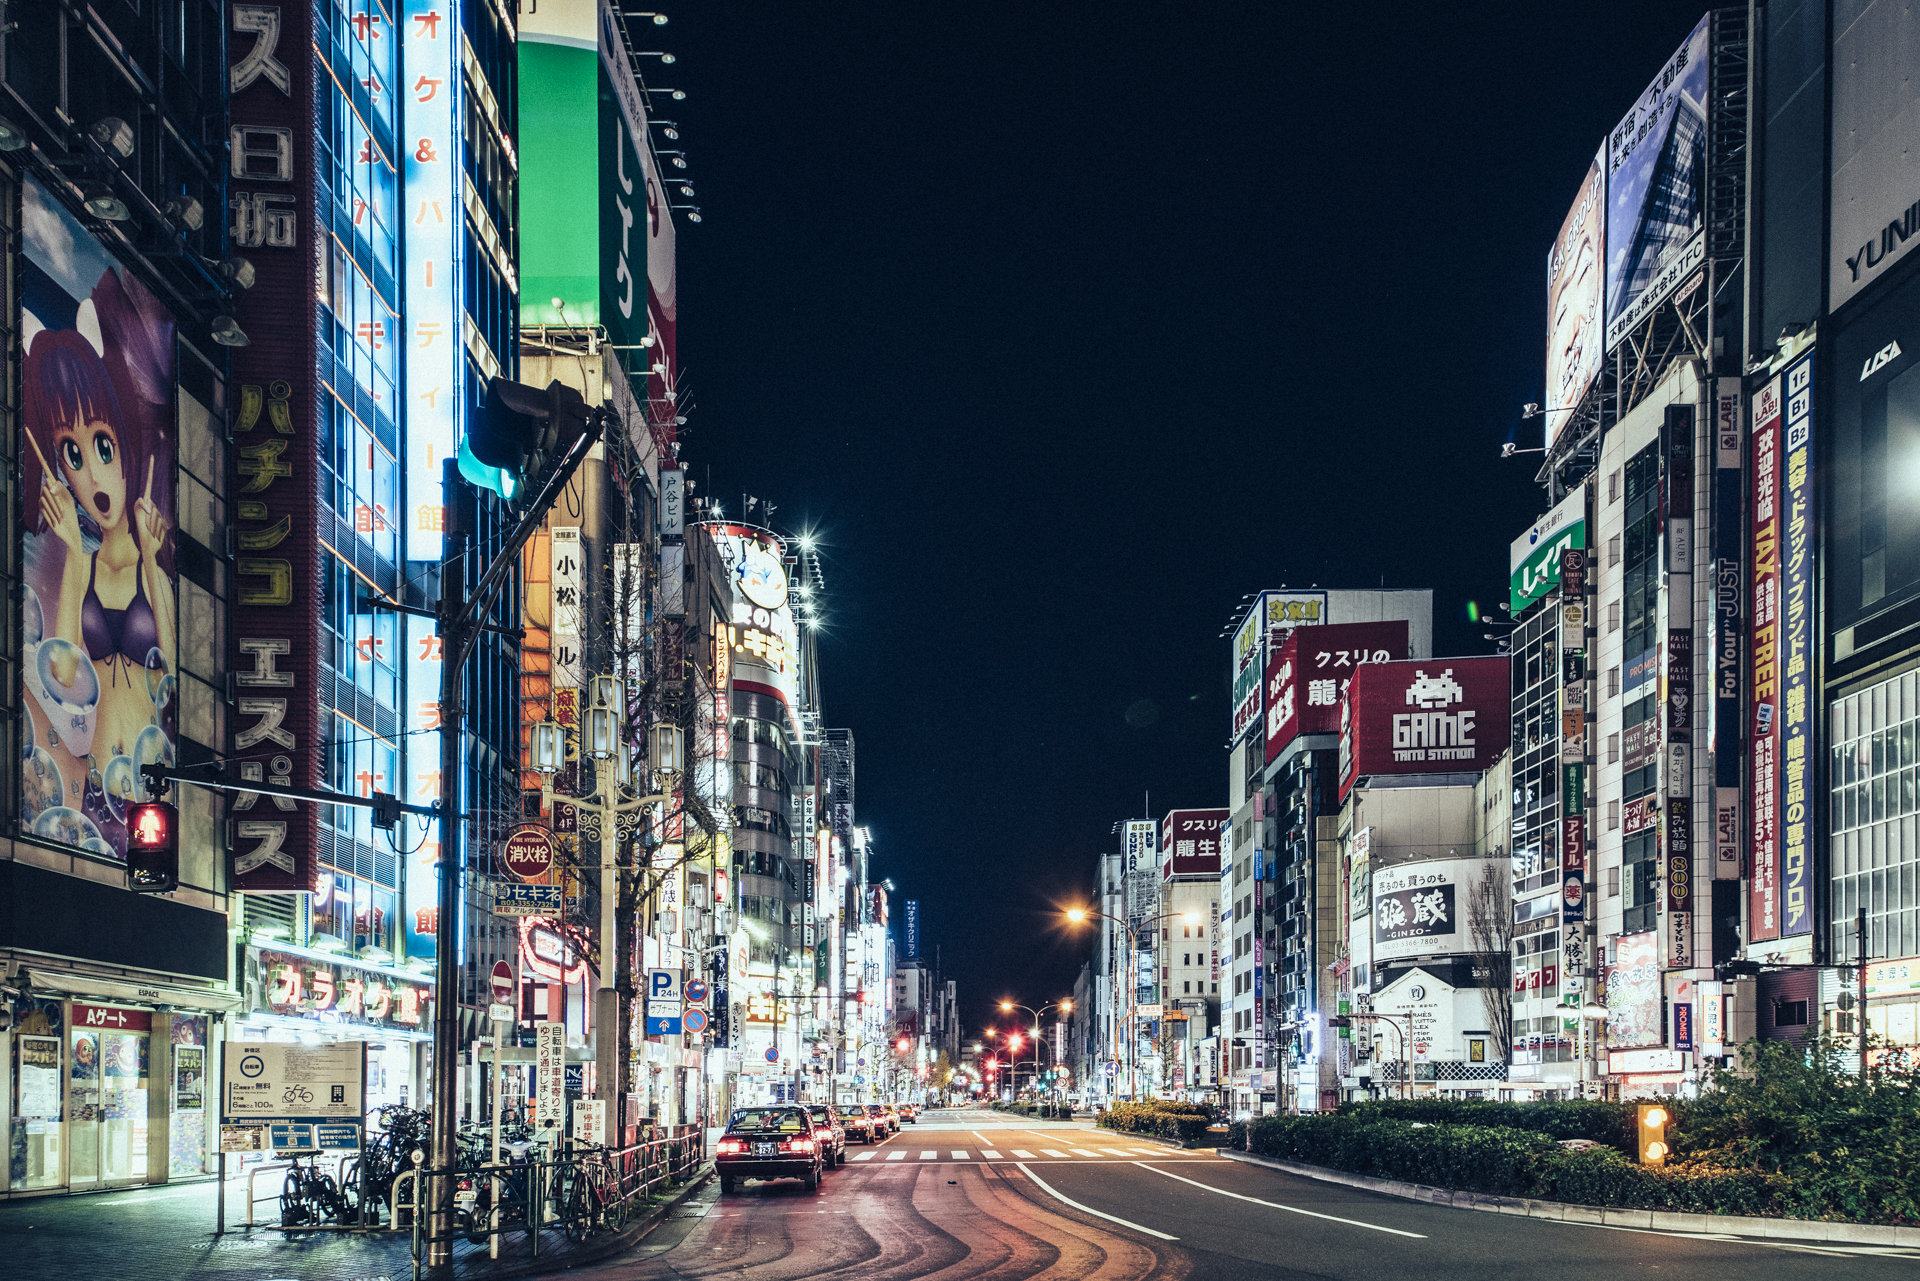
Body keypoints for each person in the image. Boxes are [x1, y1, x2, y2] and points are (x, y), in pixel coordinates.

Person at [24, 326, 176, 827]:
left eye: (103, 446)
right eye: (73, 454)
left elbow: (172, 671)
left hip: (151, 796)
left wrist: (152, 563)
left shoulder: (152, 563)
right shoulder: (82, 565)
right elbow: (65, 676)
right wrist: (71, 549)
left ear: (127, 447)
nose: (90, 476)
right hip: (97, 791)